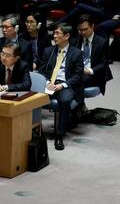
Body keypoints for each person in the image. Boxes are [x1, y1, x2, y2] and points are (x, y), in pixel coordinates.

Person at [38, 23, 84, 151]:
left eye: (58, 33)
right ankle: (35, 130)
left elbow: (78, 76)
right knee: (32, 98)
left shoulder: (76, 53)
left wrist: (61, 85)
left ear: (67, 36)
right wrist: (47, 82)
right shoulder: (49, 51)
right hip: (49, 83)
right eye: (54, 33)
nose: (54, 36)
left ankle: (59, 134)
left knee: (65, 101)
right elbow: (42, 70)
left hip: (66, 84)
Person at [72, 15, 112, 96]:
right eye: (80, 30)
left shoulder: (102, 42)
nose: (83, 32)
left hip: (93, 73)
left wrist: (89, 71)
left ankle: (77, 105)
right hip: (77, 71)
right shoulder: (75, 41)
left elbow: (104, 64)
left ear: (92, 26)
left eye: (85, 29)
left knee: (77, 82)